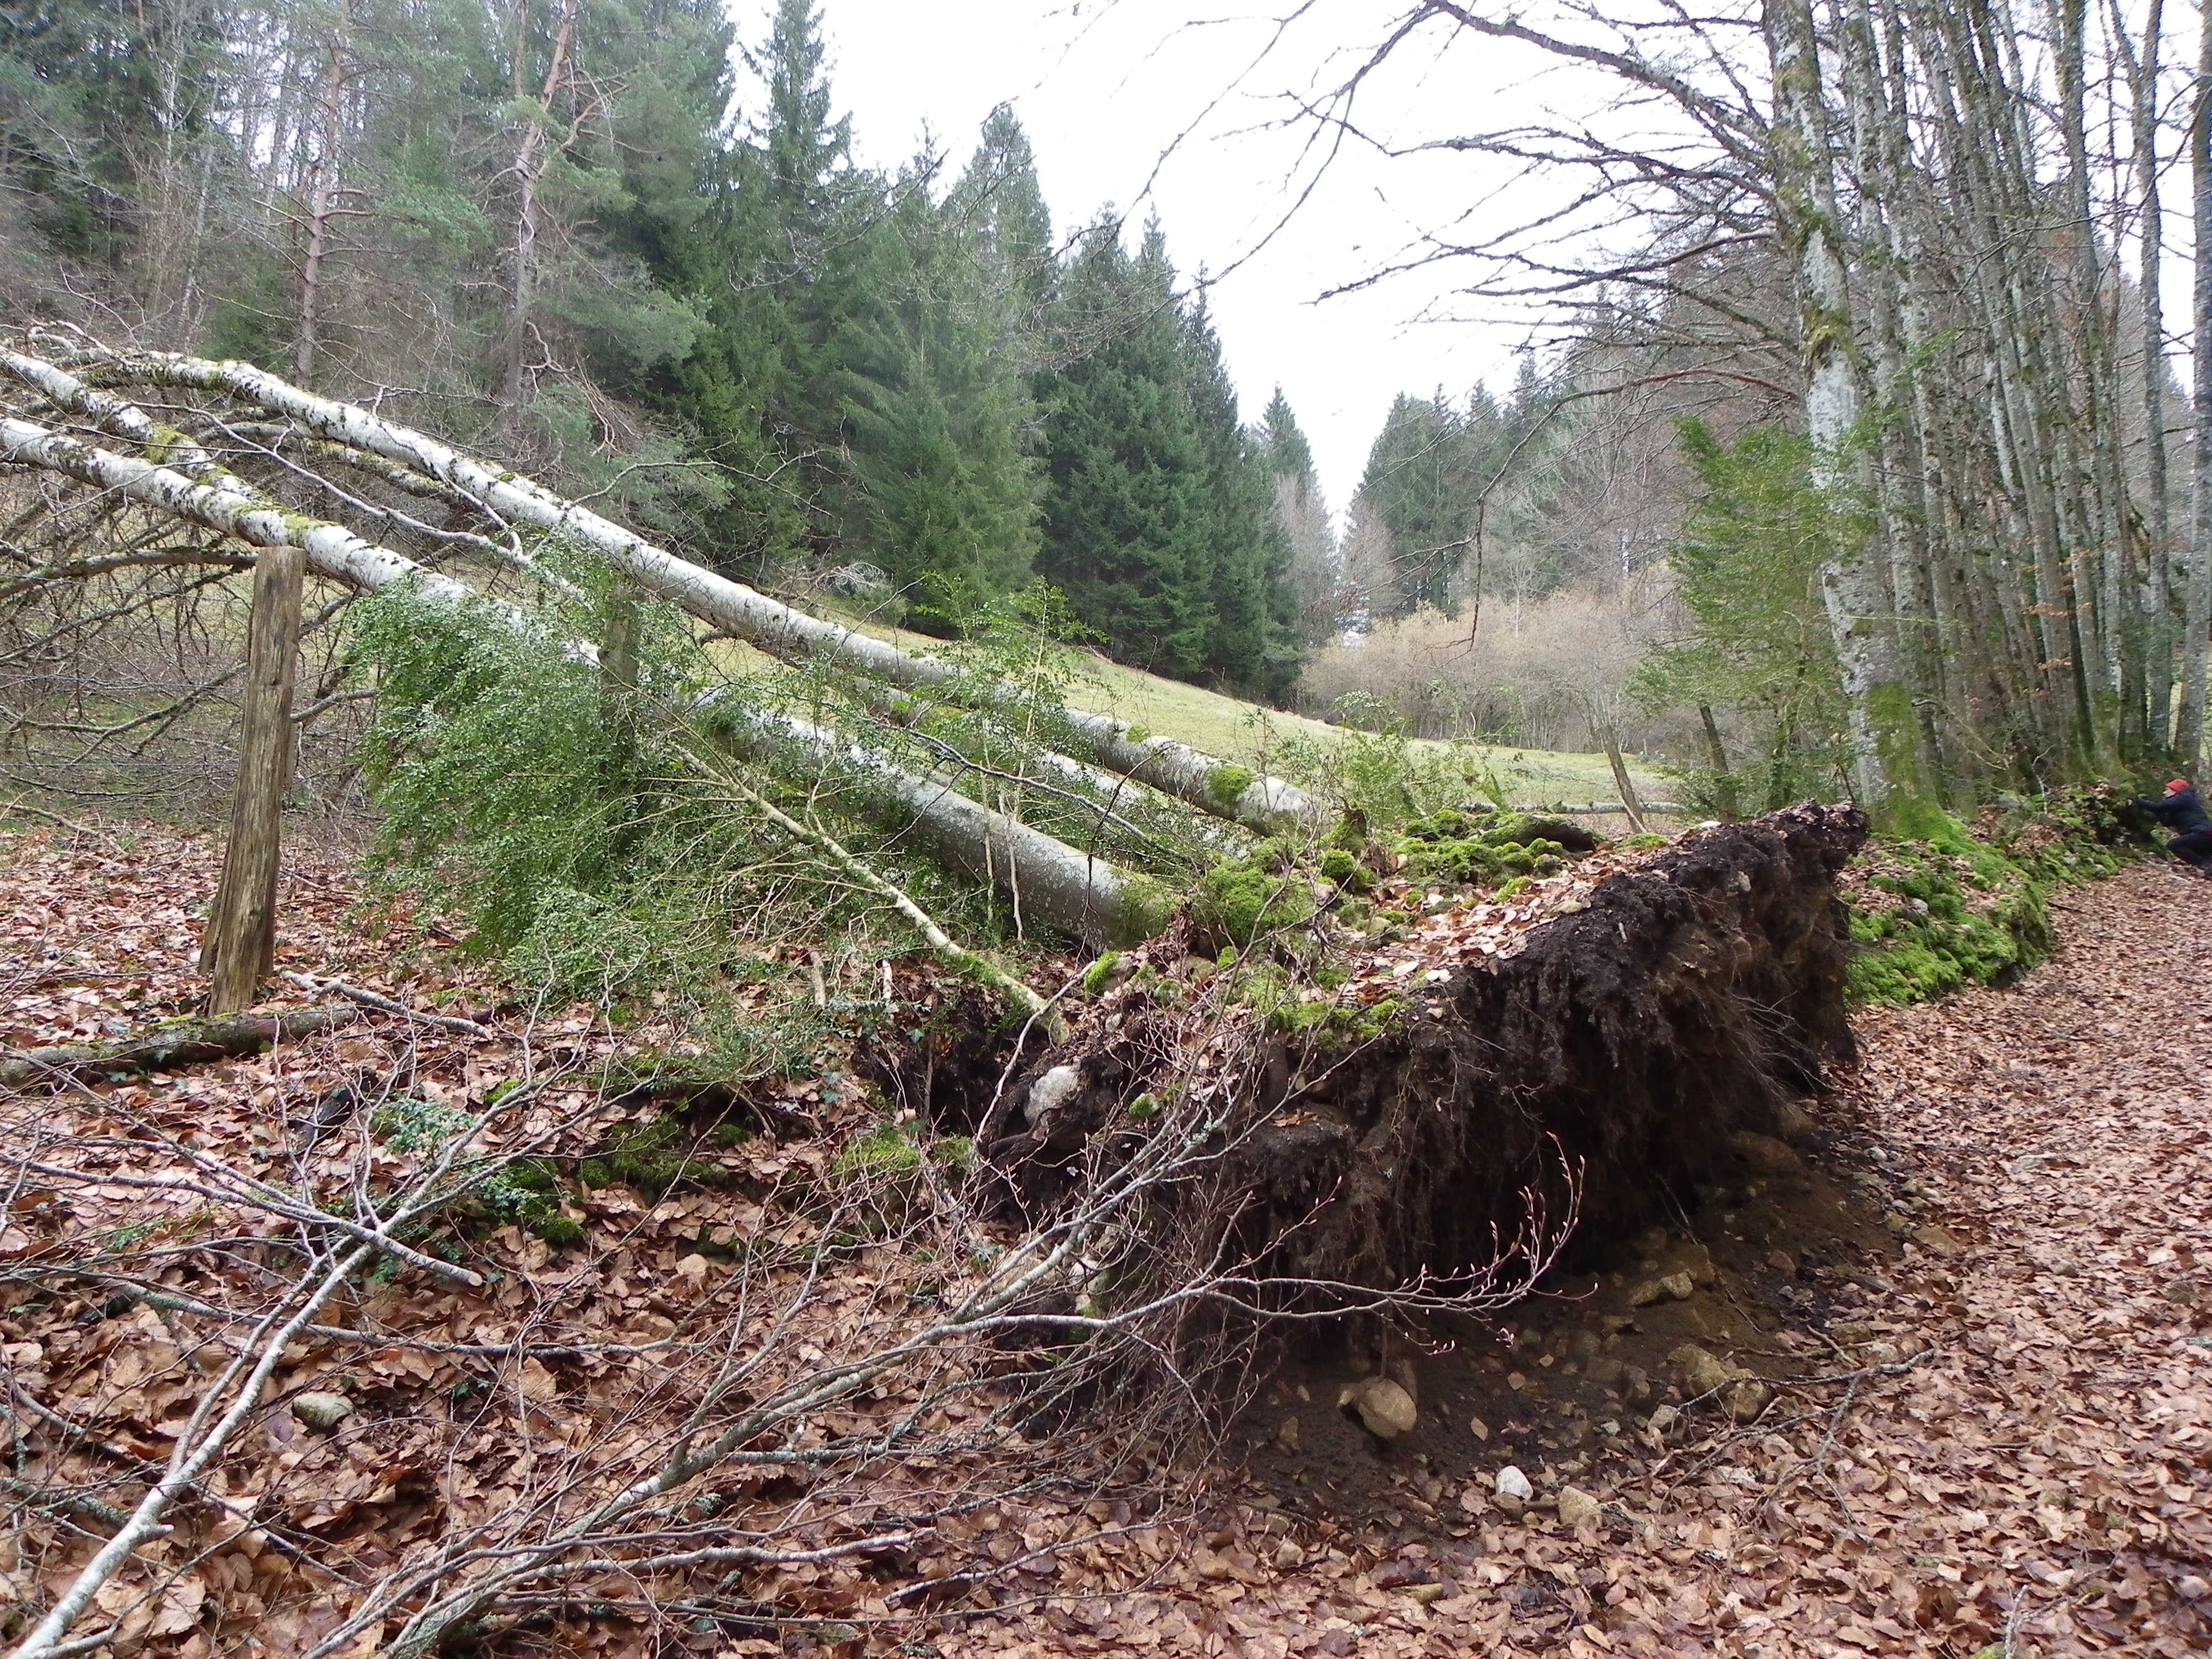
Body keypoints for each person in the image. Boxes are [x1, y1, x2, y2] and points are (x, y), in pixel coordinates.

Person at [2135, 778, 2212, 877]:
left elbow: (2159, 807)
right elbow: (2167, 822)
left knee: (2174, 845)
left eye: (2167, 790)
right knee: (2204, 857)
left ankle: (2204, 865)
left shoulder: (2184, 797)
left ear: (2175, 790)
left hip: (2203, 833)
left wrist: (2138, 801)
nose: (2164, 792)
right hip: (2205, 834)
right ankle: (2208, 868)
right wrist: (2152, 807)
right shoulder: (2179, 804)